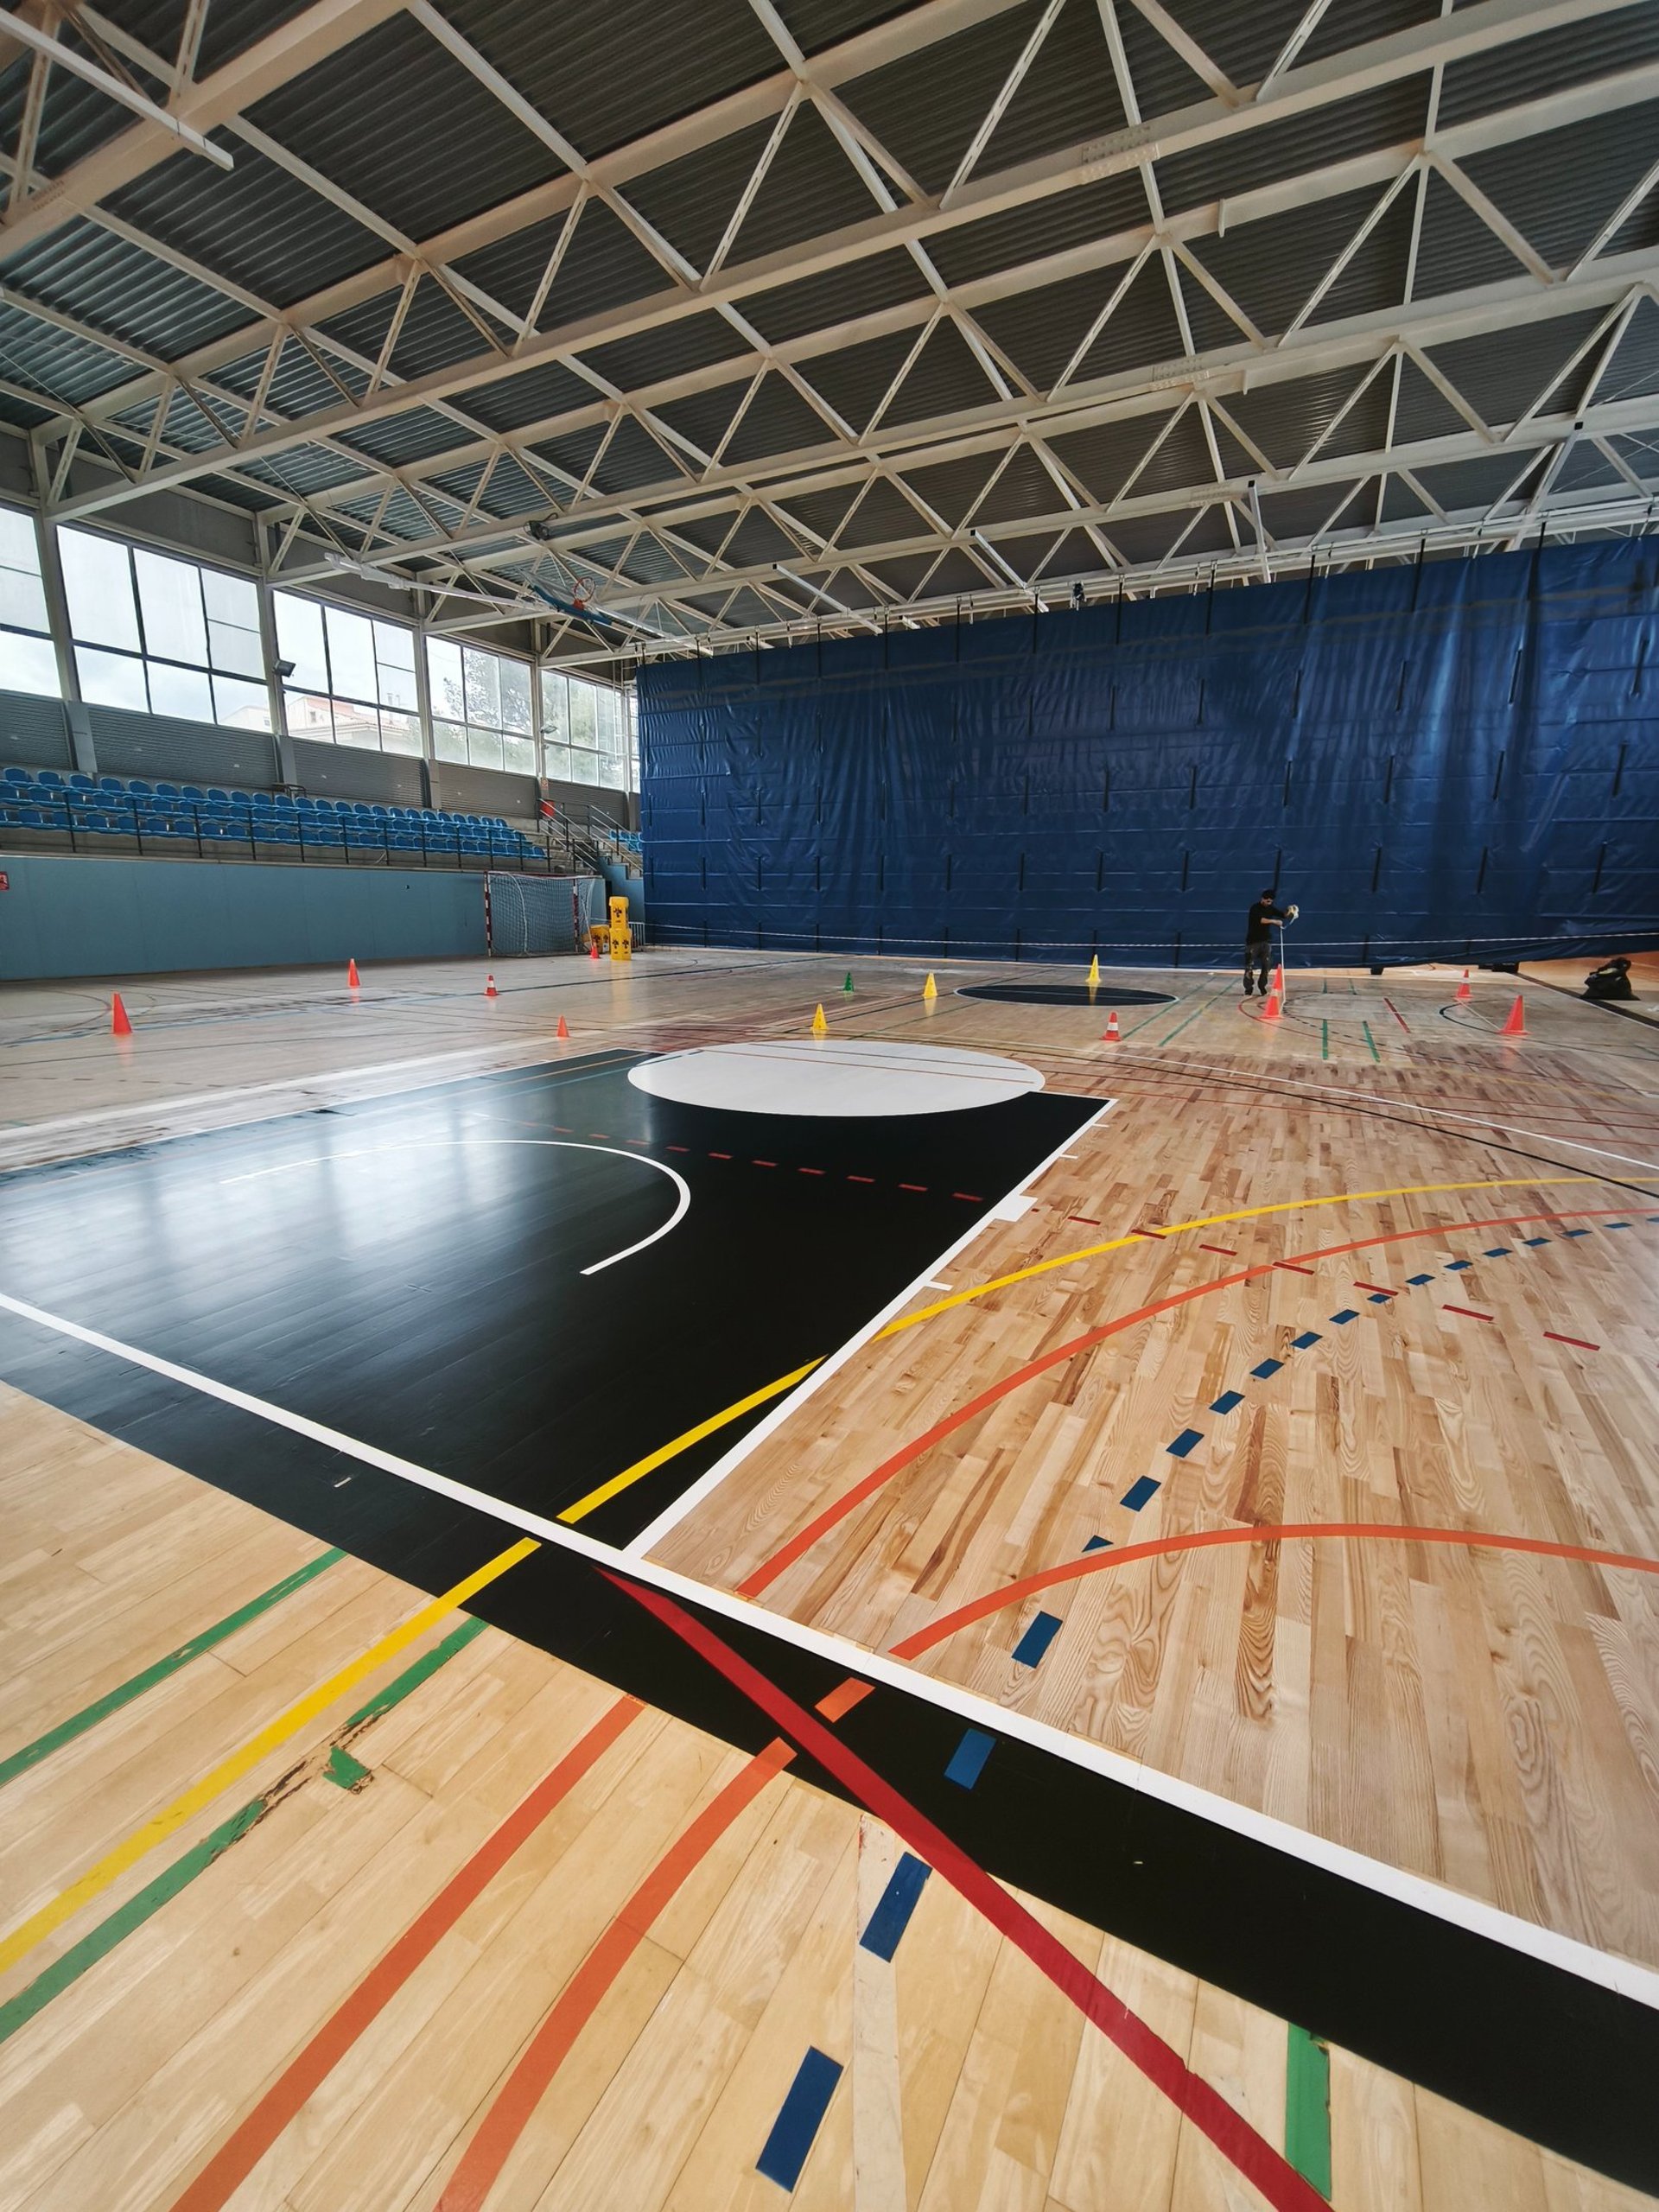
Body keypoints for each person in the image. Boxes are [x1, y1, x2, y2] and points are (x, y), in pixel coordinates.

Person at [1243, 887, 1294, 995]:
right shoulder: (1255, 908)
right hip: (1252, 942)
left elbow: (1282, 915)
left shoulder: (1271, 908)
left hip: (1266, 941)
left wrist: (1290, 912)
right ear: (1262, 899)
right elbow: (1260, 920)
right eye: (1267, 901)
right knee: (1249, 966)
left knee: (1267, 965)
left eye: (1271, 901)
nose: (1269, 903)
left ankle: (1262, 986)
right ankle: (1248, 987)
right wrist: (1274, 921)